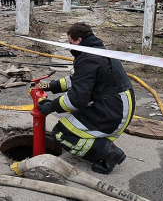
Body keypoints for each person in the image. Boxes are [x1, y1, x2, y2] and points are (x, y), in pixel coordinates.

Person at [38, 22, 135, 175]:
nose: (70, 48)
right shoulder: (96, 52)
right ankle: (100, 145)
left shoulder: (89, 59)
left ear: (79, 40)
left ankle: (108, 154)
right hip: (116, 104)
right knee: (72, 124)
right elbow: (79, 79)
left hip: (113, 111)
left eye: (71, 43)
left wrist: (52, 106)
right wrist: (51, 86)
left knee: (61, 133)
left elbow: (77, 100)